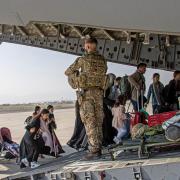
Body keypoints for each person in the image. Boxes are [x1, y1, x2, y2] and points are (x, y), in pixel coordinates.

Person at [65, 37, 107, 160]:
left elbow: (68, 72)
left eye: (85, 45)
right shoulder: (103, 60)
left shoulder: (82, 60)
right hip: (99, 94)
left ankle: (94, 150)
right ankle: (98, 147)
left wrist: (77, 77)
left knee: (90, 121)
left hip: (87, 94)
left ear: (88, 46)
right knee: (99, 120)